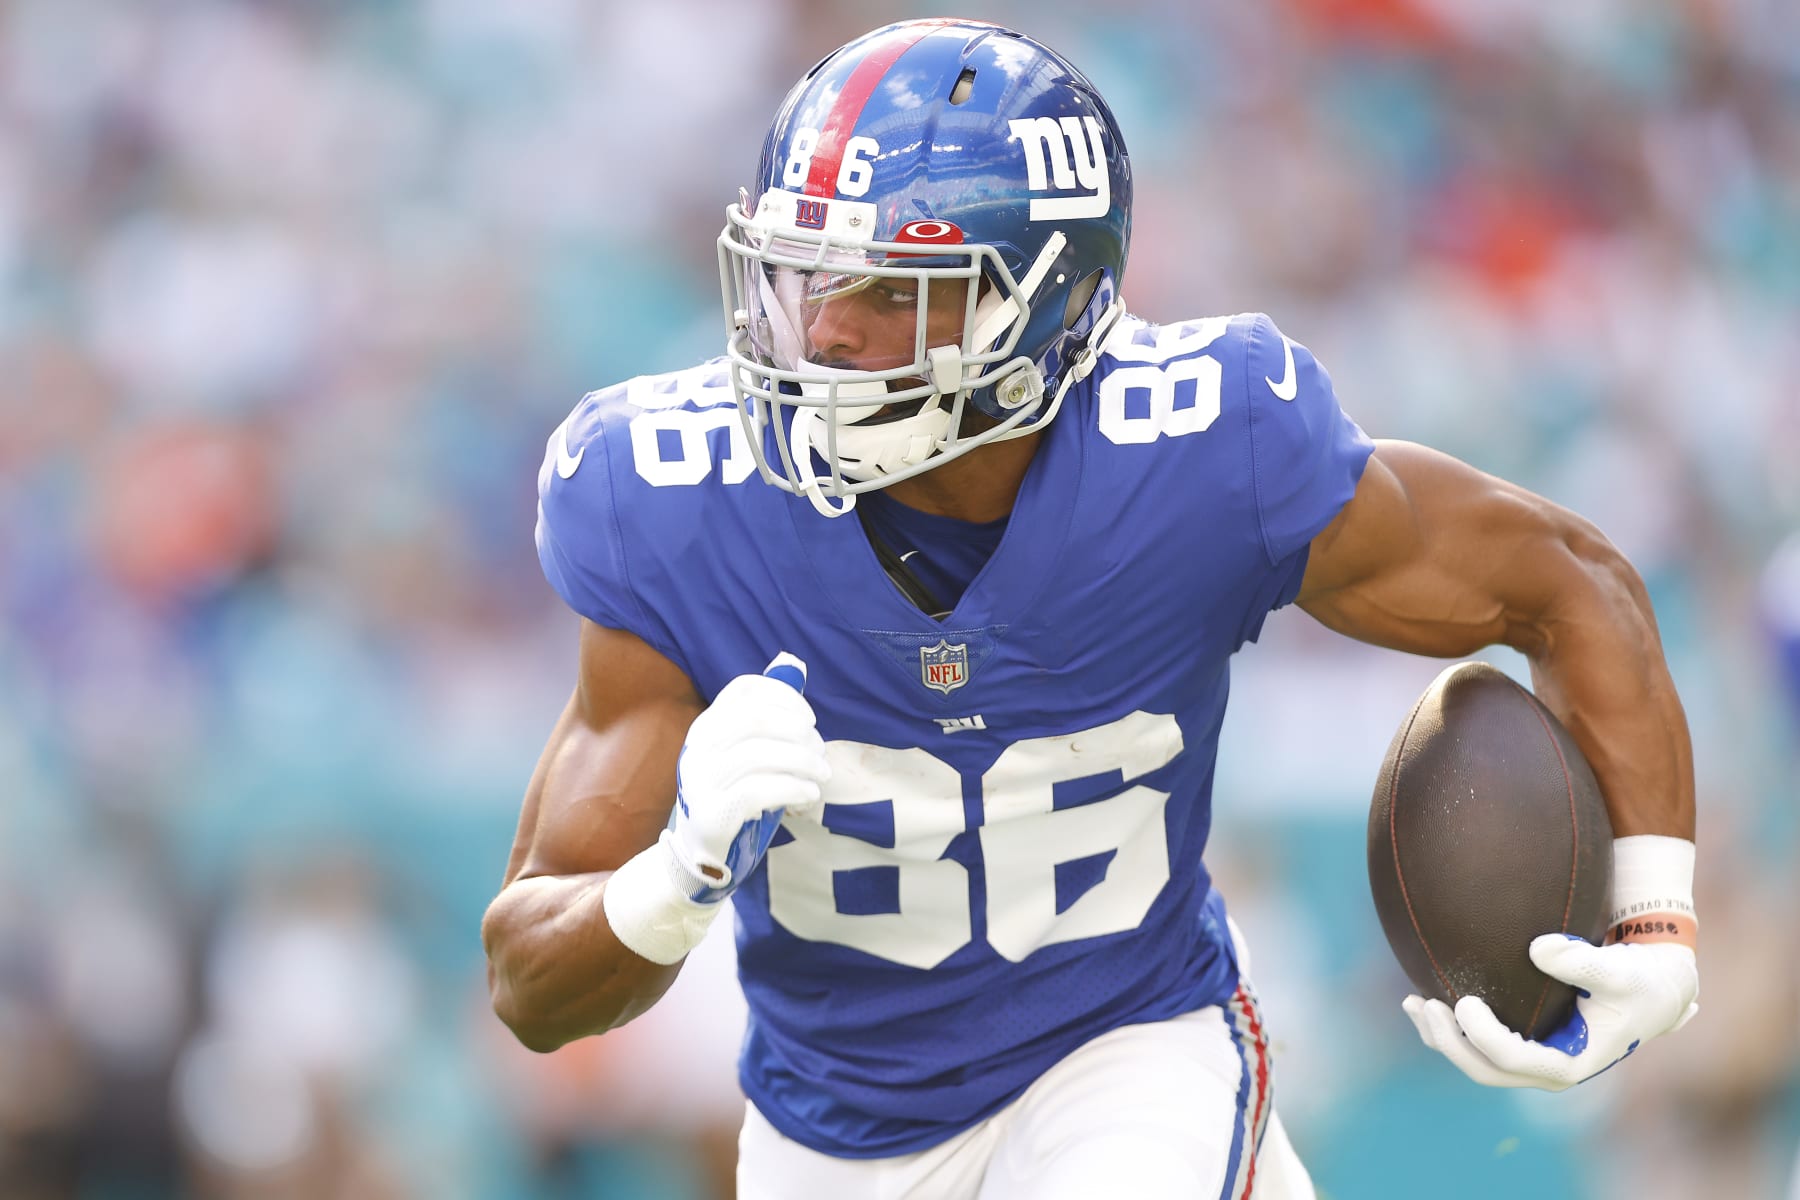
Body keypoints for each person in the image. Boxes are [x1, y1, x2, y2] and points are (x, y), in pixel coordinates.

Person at [481, 18, 1701, 1199]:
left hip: (1125, 1057)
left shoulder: (1204, 450)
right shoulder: (676, 499)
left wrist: (1656, 919)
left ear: (1042, 306)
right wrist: (675, 874)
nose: (825, 333)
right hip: (831, 1129)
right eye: (804, 275)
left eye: (894, 290)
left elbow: (1566, 582)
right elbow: (530, 985)